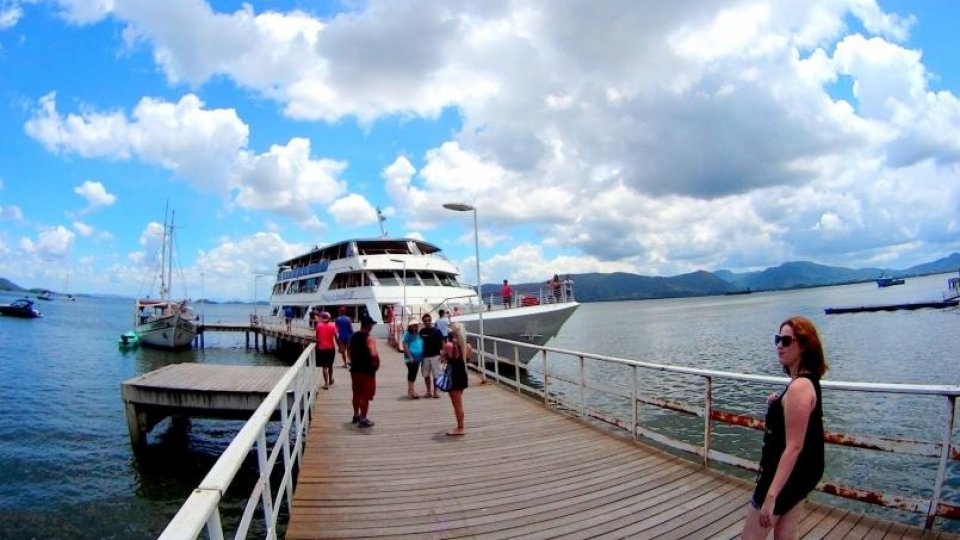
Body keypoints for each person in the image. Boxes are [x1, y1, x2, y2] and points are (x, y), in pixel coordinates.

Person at [741, 316, 827, 540]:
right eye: (778, 339)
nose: (779, 345)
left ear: (805, 344)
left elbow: (794, 447)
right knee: (785, 535)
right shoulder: (806, 382)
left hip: (786, 475)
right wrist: (778, 403)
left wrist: (770, 497)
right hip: (804, 472)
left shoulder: (799, 387)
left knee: (751, 537)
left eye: (787, 341)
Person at [348, 315, 380, 428]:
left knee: (356, 394)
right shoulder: (369, 338)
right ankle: (363, 419)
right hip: (367, 370)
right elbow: (373, 354)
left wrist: (352, 361)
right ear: (369, 325)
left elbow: (349, 350)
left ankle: (356, 415)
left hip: (355, 369)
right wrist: (377, 364)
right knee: (364, 396)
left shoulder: (353, 336)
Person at [441, 323, 472, 436]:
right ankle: (460, 426)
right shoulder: (468, 346)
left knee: (457, 404)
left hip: (452, 375)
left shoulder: (449, 346)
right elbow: (467, 359)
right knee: (459, 402)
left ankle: (460, 428)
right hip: (463, 374)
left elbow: (442, 359)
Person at [418, 313, 445, 398]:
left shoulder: (437, 331)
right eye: (425, 321)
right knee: (426, 375)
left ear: (431, 321)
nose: (427, 322)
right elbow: (419, 344)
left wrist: (443, 354)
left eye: (429, 320)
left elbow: (443, 343)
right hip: (425, 356)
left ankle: (435, 392)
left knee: (436, 375)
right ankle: (428, 391)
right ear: (423, 322)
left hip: (435, 356)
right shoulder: (421, 332)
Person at [314, 311, 338, 389]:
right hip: (331, 348)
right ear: (329, 318)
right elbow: (336, 337)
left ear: (322, 318)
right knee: (330, 365)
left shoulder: (318, 326)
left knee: (324, 367)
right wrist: (340, 346)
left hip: (322, 348)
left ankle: (326, 383)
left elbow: (317, 337)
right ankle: (330, 379)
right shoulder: (333, 326)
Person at [401, 321, 423, 399]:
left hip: (417, 358)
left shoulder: (418, 334)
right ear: (410, 326)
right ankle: (411, 391)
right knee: (412, 373)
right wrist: (410, 356)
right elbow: (405, 346)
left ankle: (410, 390)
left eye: (415, 325)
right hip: (410, 358)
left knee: (414, 373)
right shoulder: (407, 334)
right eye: (413, 325)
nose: (414, 326)